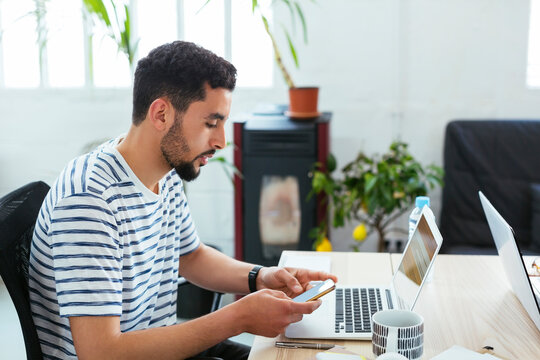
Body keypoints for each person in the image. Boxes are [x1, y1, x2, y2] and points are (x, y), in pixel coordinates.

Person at [28, 40, 337, 360]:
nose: (221, 141)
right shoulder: (90, 201)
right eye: (210, 123)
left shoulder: (165, 171)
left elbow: (190, 257)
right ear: (161, 114)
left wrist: (260, 277)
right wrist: (238, 317)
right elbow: (101, 352)